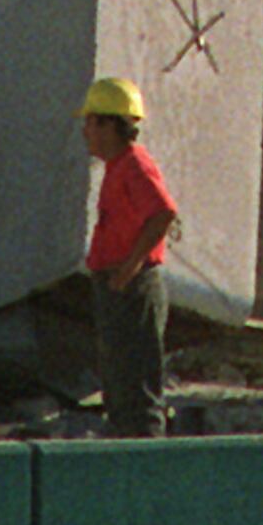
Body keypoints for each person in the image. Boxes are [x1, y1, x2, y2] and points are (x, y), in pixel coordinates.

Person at [79, 76, 177, 438]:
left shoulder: (133, 164)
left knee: (136, 391)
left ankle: (145, 471)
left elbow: (163, 212)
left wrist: (130, 267)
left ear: (109, 124)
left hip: (132, 288)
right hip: (120, 287)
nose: (85, 130)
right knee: (120, 388)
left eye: (90, 122)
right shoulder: (118, 165)